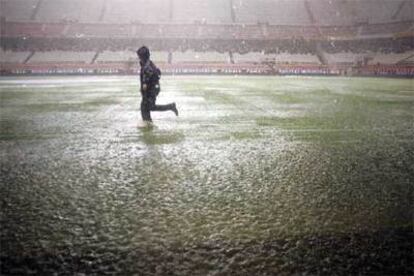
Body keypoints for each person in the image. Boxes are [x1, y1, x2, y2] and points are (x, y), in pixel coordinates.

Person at [137, 46, 178, 124]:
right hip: (153, 88)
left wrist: (144, 85)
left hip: (151, 89)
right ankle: (147, 122)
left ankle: (170, 106)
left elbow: (148, 77)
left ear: (143, 56)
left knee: (148, 106)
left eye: (140, 56)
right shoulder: (147, 63)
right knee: (145, 107)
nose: (139, 58)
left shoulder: (147, 66)